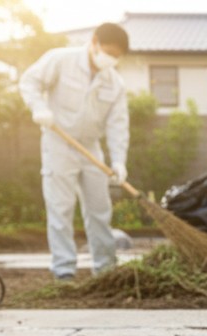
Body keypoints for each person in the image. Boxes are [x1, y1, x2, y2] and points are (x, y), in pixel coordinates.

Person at [19, 23, 130, 280]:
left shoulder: (115, 84)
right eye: (108, 51)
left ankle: (105, 271)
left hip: (90, 147)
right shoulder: (61, 60)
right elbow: (29, 81)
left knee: (100, 210)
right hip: (58, 143)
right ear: (94, 42)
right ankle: (64, 273)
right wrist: (38, 108)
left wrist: (119, 162)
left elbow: (118, 125)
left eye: (116, 56)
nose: (110, 59)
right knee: (60, 209)